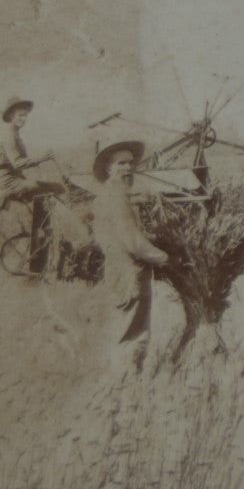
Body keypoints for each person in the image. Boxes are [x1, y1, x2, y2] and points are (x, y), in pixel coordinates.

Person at [89, 140, 169, 371]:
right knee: (133, 334)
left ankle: (125, 383)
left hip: (119, 271)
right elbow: (134, 243)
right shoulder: (116, 198)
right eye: (120, 164)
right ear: (108, 169)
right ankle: (124, 384)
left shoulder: (108, 195)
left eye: (130, 163)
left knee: (126, 329)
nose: (128, 168)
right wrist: (166, 258)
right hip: (129, 274)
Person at [0, 96, 65, 273]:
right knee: (57, 188)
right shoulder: (8, 133)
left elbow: (19, 167)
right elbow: (17, 163)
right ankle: (44, 239)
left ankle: (43, 240)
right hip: (6, 181)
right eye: (20, 116)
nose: (24, 119)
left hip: (12, 178)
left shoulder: (14, 132)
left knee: (44, 188)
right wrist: (42, 158)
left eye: (25, 116)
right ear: (11, 116)